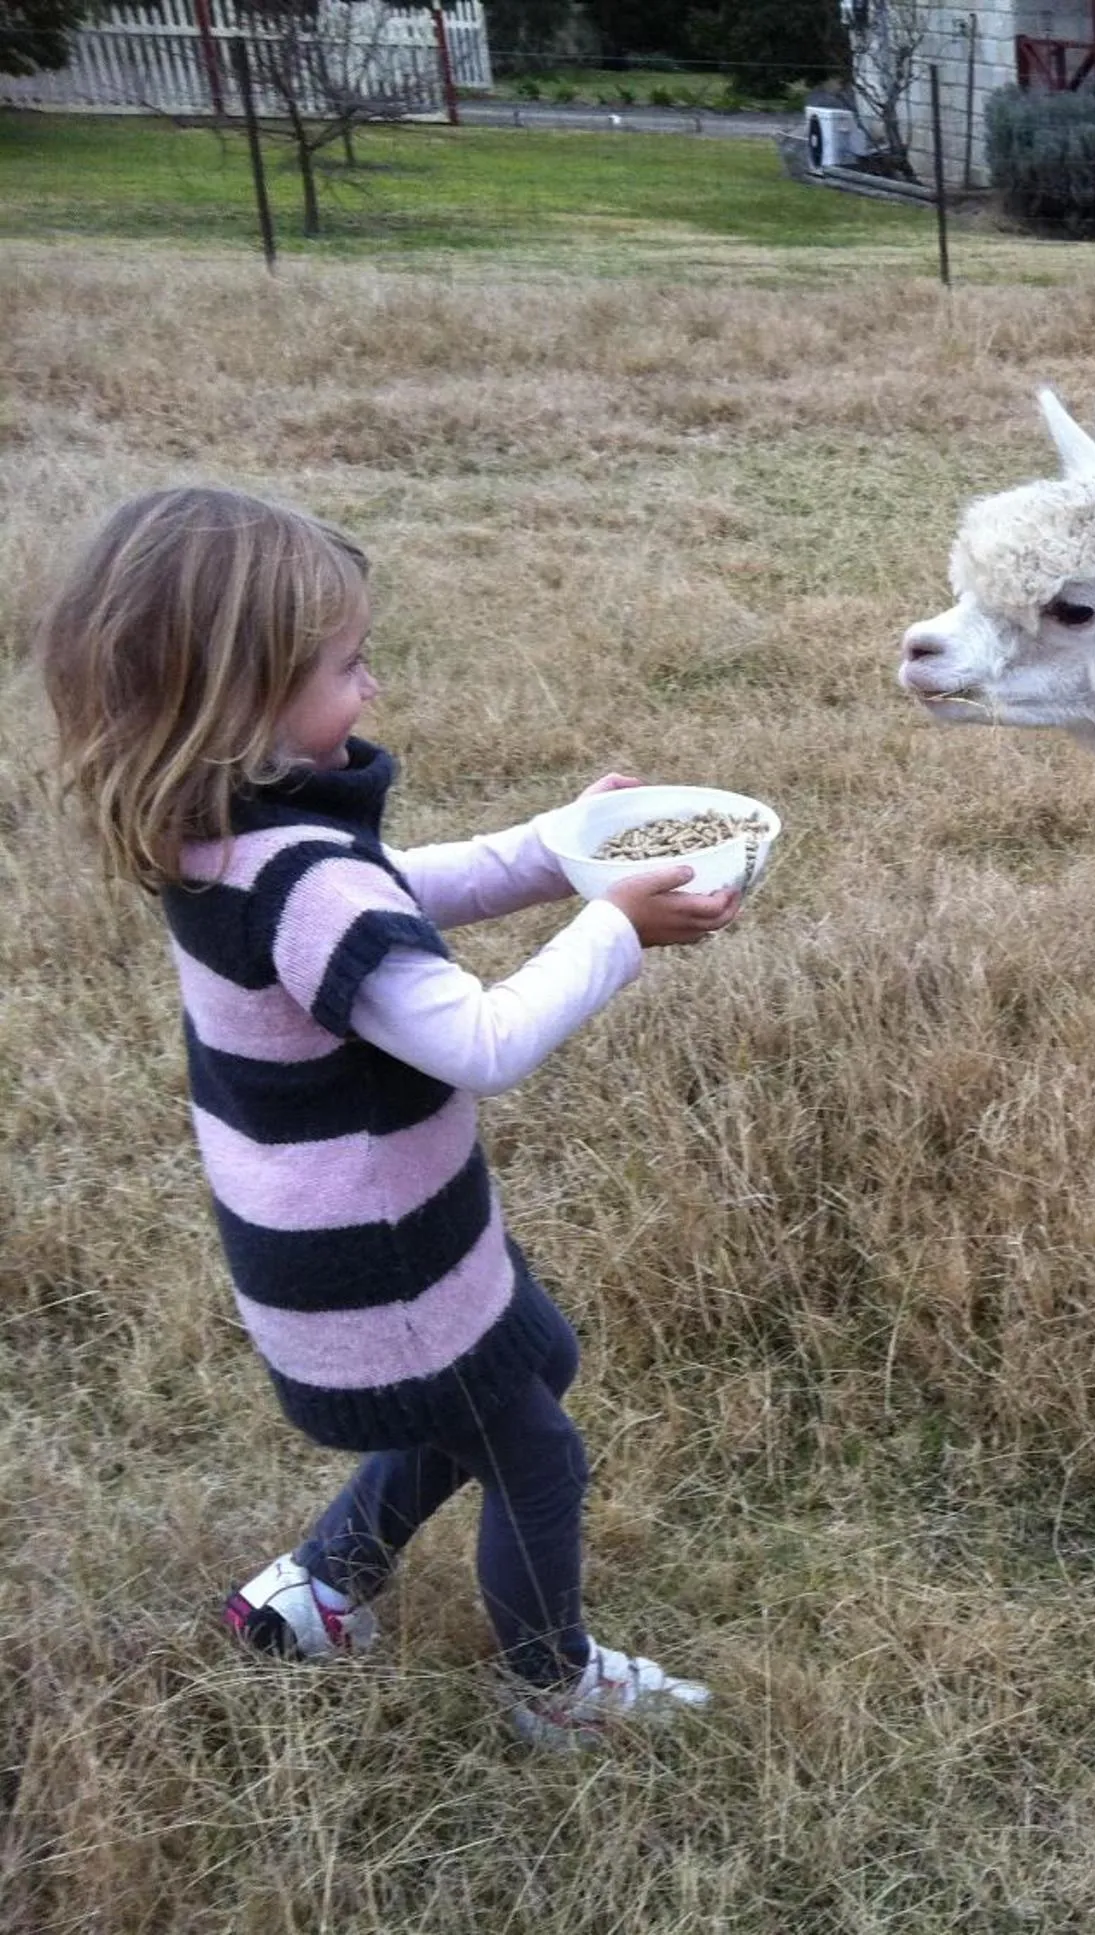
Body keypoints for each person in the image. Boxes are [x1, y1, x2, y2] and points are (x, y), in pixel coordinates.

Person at [36, 485, 742, 1750]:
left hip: (352, 1243)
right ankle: (552, 1687)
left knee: (533, 1365)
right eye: (347, 667)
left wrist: (556, 844)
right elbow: (480, 1040)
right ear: (241, 695)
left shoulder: (228, 841)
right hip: (382, 1267)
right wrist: (612, 924)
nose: (371, 690)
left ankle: (314, 1592)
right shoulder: (296, 878)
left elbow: (393, 888)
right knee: (536, 1455)